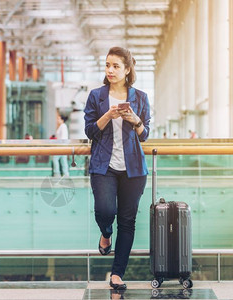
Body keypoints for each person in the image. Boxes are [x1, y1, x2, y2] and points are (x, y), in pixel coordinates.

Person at [84, 46, 150, 290]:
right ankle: (105, 233)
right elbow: (90, 131)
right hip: (104, 165)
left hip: (134, 168)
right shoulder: (96, 96)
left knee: (127, 221)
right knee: (104, 210)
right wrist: (108, 116)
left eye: (116, 66)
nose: (110, 70)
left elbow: (145, 135)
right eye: (107, 65)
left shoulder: (140, 97)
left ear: (127, 70)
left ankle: (117, 273)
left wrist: (136, 121)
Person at [52, 112, 69, 177]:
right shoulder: (61, 126)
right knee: (63, 160)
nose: (57, 120)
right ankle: (65, 174)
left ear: (62, 120)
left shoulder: (63, 126)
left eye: (58, 119)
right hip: (61, 146)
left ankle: (57, 173)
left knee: (55, 158)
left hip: (61, 147)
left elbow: (63, 138)